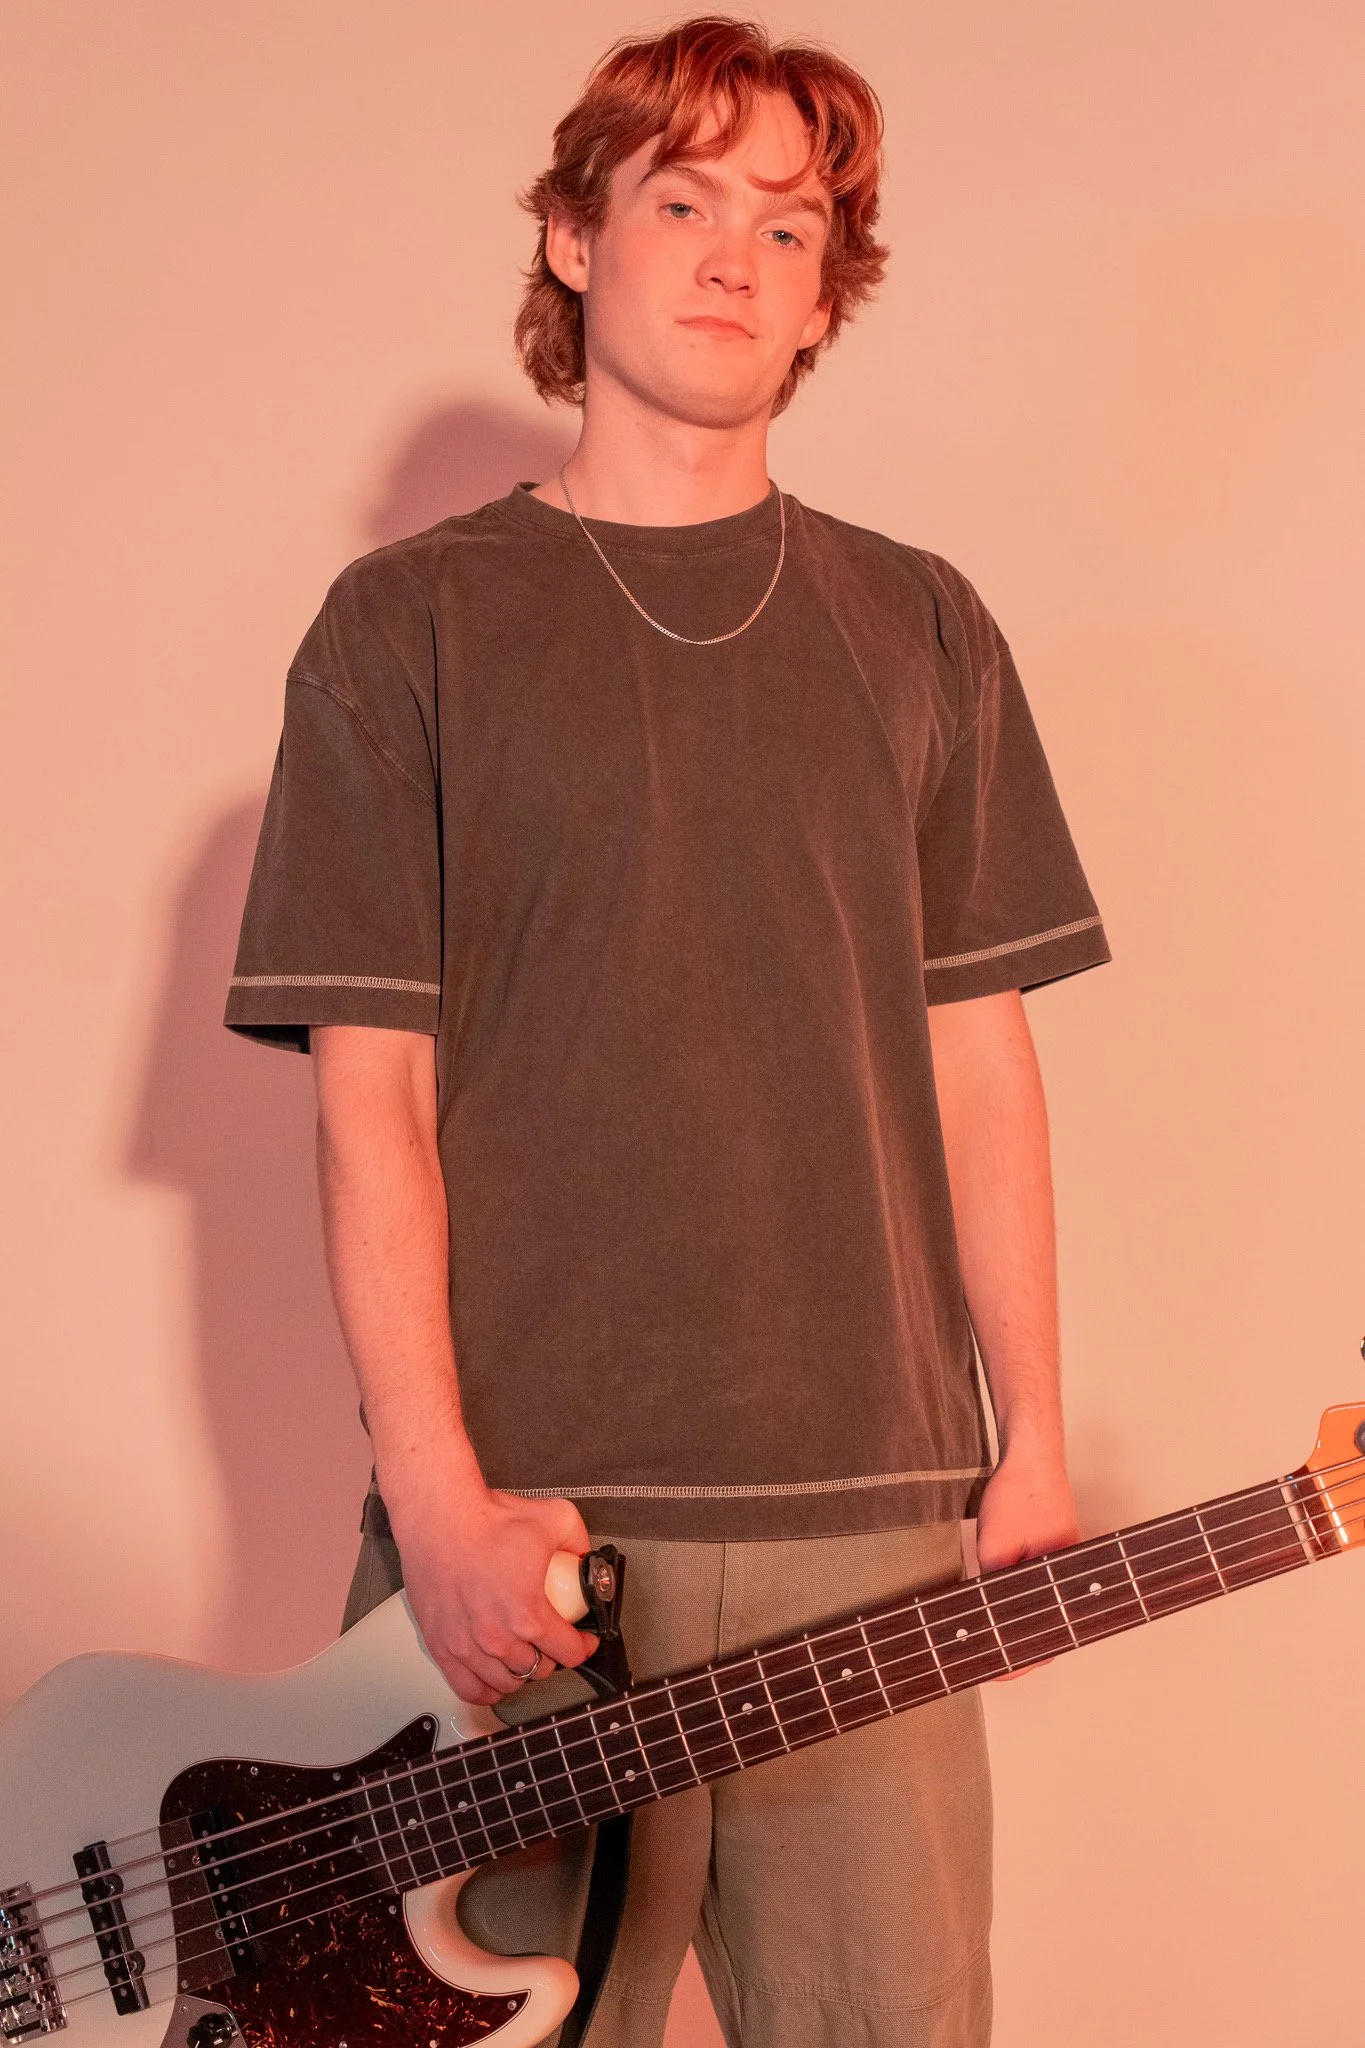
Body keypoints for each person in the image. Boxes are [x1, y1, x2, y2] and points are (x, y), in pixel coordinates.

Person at [225, 17, 1111, 2046]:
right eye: (681, 199)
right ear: (569, 237)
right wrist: (434, 1498)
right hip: (525, 1533)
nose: (730, 254)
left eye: (786, 226)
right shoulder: (406, 632)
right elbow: (375, 1098)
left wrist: (1032, 1441)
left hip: (872, 1533)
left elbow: (984, 1060)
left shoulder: (921, 630)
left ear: (822, 296)